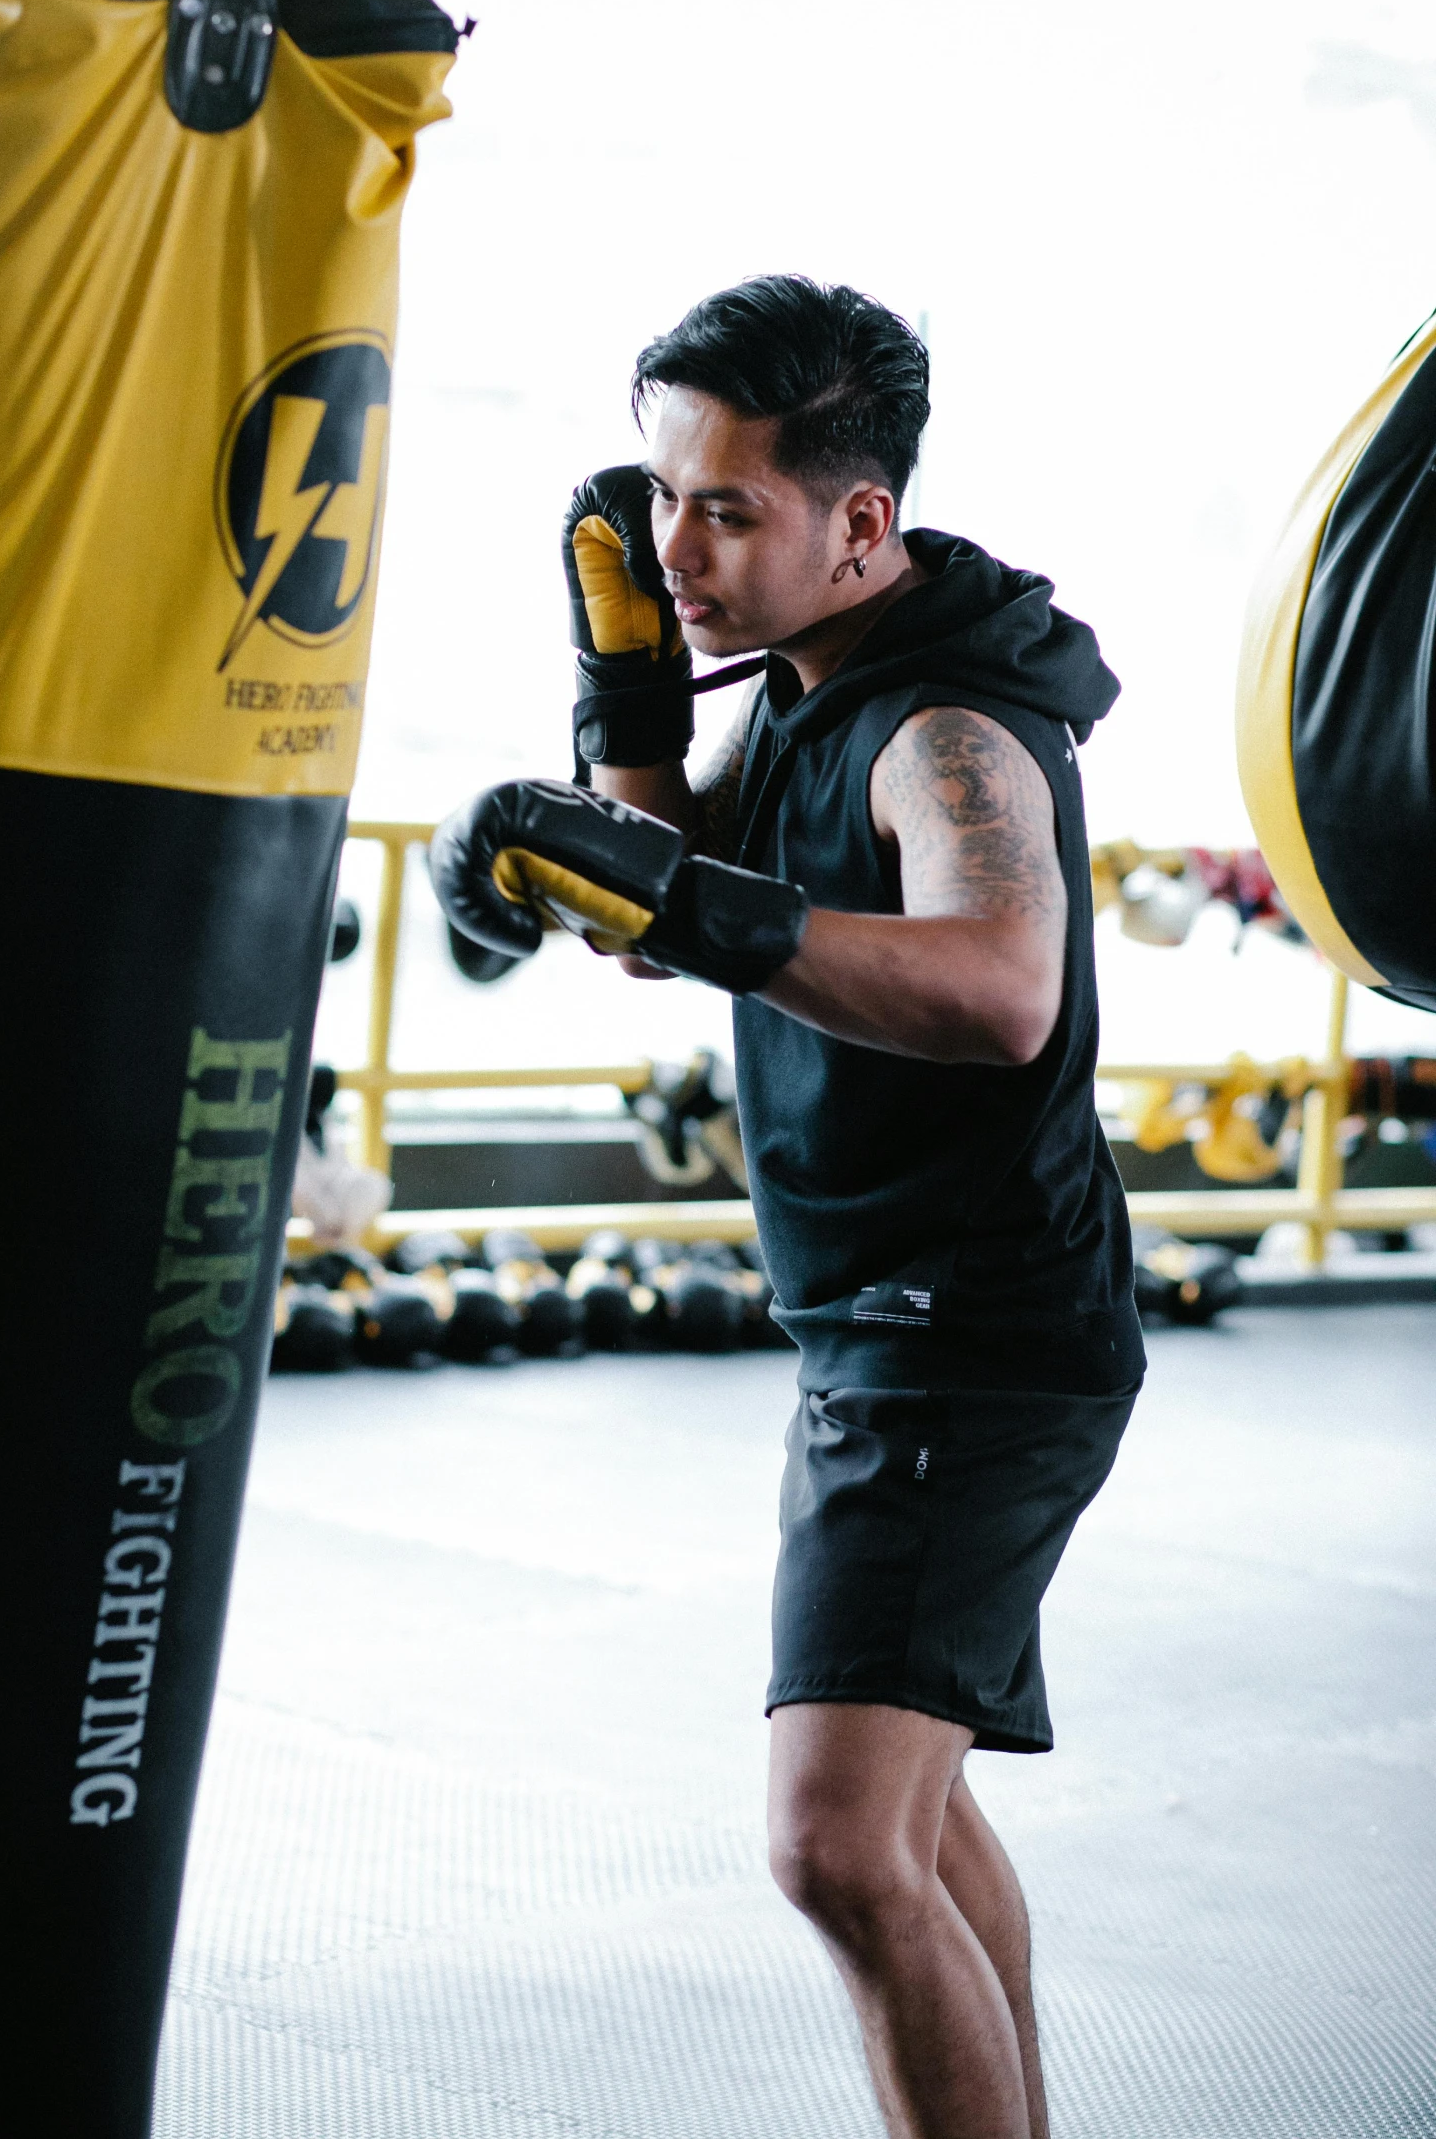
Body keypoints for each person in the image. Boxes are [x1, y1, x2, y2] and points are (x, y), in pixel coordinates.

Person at [430, 274, 1143, 2139]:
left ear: (859, 521)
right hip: (905, 1320)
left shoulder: (945, 734)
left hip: (963, 1340)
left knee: (833, 1846)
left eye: (724, 508)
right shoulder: (826, 688)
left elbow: (1000, 986)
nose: (674, 546)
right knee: (909, 1817)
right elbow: (686, 908)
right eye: (662, 497)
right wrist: (624, 705)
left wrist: (685, 906)